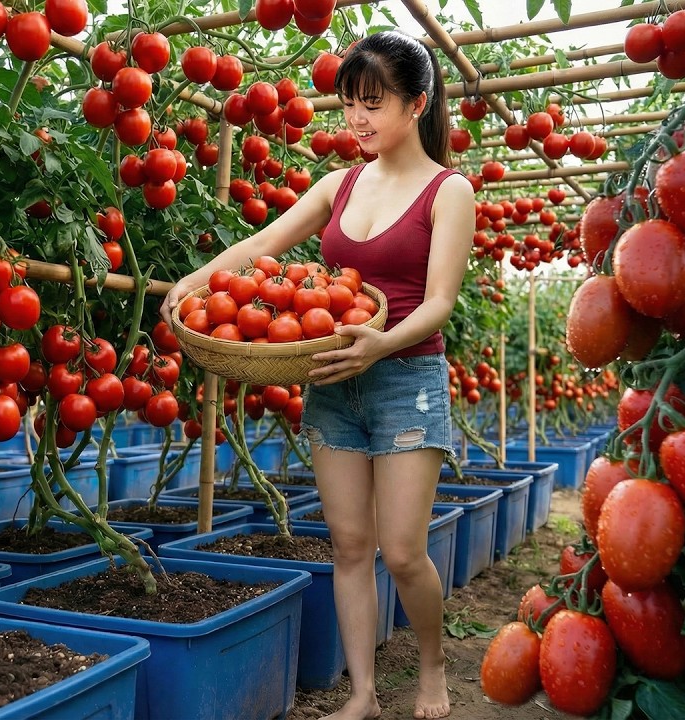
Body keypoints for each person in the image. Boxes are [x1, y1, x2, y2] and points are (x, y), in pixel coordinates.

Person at [160, 31, 473, 720]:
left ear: (417, 104)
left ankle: (430, 666)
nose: (356, 119)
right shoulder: (340, 184)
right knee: (351, 545)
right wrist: (193, 280)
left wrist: (380, 342)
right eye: (349, 103)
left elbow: (440, 305)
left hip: (406, 382)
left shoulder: (449, 191)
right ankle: (362, 695)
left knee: (403, 552)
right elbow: (261, 244)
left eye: (373, 103)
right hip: (330, 378)